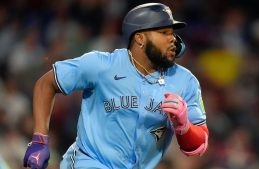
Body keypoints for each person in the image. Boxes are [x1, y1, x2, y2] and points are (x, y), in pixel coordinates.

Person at [23, 3, 209, 169]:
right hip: (89, 161)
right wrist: (40, 138)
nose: (173, 39)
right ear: (140, 39)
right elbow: (46, 84)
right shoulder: (102, 65)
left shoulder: (185, 81)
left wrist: (183, 127)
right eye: (164, 33)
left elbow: (198, 146)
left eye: (173, 33)